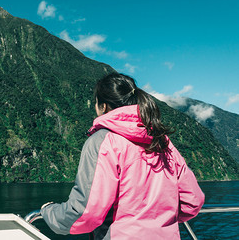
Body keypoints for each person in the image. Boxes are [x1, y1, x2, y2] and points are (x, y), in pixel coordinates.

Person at [40, 73, 205, 239]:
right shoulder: (163, 142)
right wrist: (158, 220)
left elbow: (85, 214)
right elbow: (192, 202)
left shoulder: (103, 141)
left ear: (102, 106)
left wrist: (49, 210)